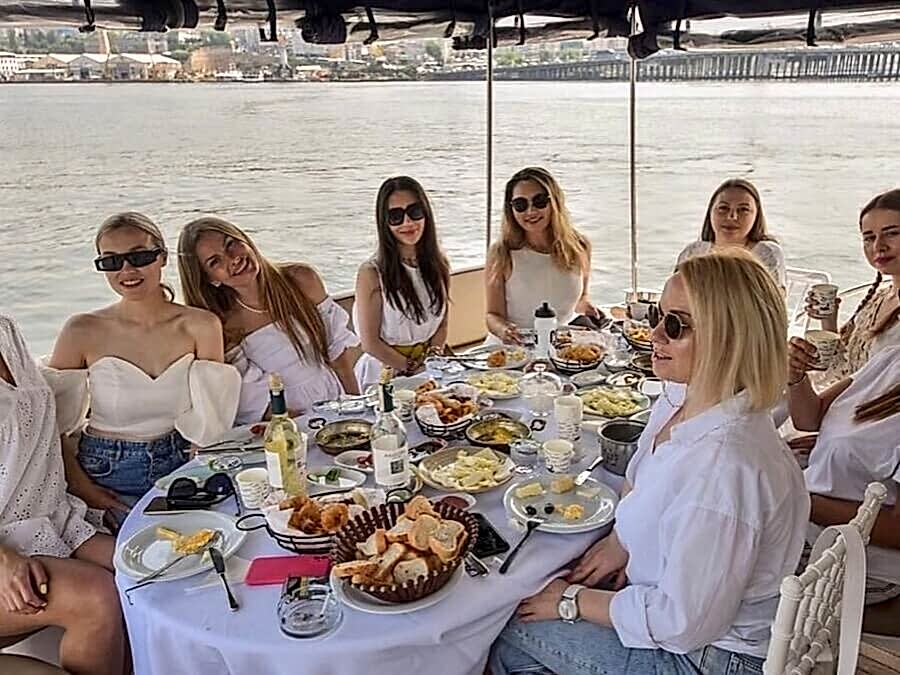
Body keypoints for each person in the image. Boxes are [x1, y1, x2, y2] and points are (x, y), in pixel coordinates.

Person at [490, 251, 809, 675]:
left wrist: (572, 601)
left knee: (501, 623)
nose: (654, 332)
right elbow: (643, 477)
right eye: (659, 315)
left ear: (729, 339)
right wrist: (621, 542)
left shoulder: (724, 469)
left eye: (676, 325)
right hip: (688, 619)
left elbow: (682, 624)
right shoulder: (683, 398)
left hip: (709, 658)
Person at [44, 213, 239, 516]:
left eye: (139, 256)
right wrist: (84, 489)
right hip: (106, 472)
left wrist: (199, 472)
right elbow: (53, 428)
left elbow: (211, 421)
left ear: (162, 257)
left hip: (182, 465)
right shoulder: (81, 330)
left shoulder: (202, 325)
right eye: (111, 261)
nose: (127, 270)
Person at [0, 315, 126, 675]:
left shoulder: (5, 331)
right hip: (5, 545)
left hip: (49, 518)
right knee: (97, 597)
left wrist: (85, 487)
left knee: (142, 569)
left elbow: (44, 424)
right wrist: (4, 561)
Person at [178, 217, 360, 424]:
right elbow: (255, 400)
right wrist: (306, 425)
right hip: (282, 421)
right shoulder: (222, 324)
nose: (233, 259)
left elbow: (339, 357)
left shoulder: (300, 279)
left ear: (245, 239)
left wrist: (356, 409)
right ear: (210, 278)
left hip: (334, 400)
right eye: (215, 261)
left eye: (231, 244)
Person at [788, 331, 900, 616]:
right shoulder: (891, 360)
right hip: (806, 528)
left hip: (851, 561)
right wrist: (796, 377)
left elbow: (897, 529)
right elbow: (810, 418)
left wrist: (799, 500)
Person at [354, 176, 450, 387]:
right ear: (384, 222)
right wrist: (413, 369)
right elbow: (370, 343)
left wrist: (433, 358)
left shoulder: (439, 264)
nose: (407, 223)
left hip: (428, 369)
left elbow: (442, 323)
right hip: (385, 373)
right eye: (395, 216)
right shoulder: (372, 273)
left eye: (414, 212)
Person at [485, 167, 600, 344]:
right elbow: (493, 315)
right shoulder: (502, 253)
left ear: (554, 201)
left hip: (562, 346)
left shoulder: (580, 247)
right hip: (513, 347)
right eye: (520, 204)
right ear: (511, 209)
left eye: (539, 201)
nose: (530, 211)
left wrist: (587, 307)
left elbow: (582, 297)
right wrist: (504, 330)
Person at [804, 188, 900, 383]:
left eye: (892, 233)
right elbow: (847, 370)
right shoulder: (879, 298)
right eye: (869, 238)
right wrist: (828, 320)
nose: (878, 246)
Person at [676, 178, 786, 288]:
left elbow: (775, 297)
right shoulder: (693, 253)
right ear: (710, 212)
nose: (732, 216)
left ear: (756, 216)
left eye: (743, 209)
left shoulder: (766, 253)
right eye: (723, 208)